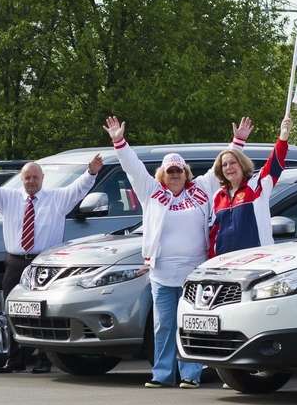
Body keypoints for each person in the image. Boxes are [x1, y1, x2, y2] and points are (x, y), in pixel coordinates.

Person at [102, 114, 244, 389]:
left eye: (179, 170)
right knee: (163, 326)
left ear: (186, 172)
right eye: (170, 171)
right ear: (162, 175)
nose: (175, 175)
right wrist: (119, 141)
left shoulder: (201, 189)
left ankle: (191, 374)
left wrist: (238, 142)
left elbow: (222, 168)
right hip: (162, 273)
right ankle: (162, 374)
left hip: (195, 272)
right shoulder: (152, 192)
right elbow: (133, 168)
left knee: (191, 324)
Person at [0, 148, 104, 373]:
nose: (31, 181)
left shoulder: (57, 198)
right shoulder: (9, 198)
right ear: (22, 179)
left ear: (42, 179)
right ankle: (14, 359)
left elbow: (78, 189)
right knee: (12, 310)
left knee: (43, 312)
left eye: (35, 177)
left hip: (43, 264)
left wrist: (91, 173)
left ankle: (44, 359)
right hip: (15, 262)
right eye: (27, 177)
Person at [209, 116, 289, 256]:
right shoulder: (218, 196)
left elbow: (275, 164)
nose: (229, 167)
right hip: (224, 265)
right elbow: (213, 234)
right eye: (224, 165)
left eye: (233, 163)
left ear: (242, 164)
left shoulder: (256, 185)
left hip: (257, 261)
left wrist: (283, 136)